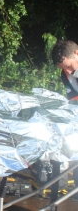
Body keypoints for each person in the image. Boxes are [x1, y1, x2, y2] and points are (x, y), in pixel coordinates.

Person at [51, 39, 78, 187]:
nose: (67, 71)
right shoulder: (66, 75)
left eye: (68, 66)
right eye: (63, 68)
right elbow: (75, 101)